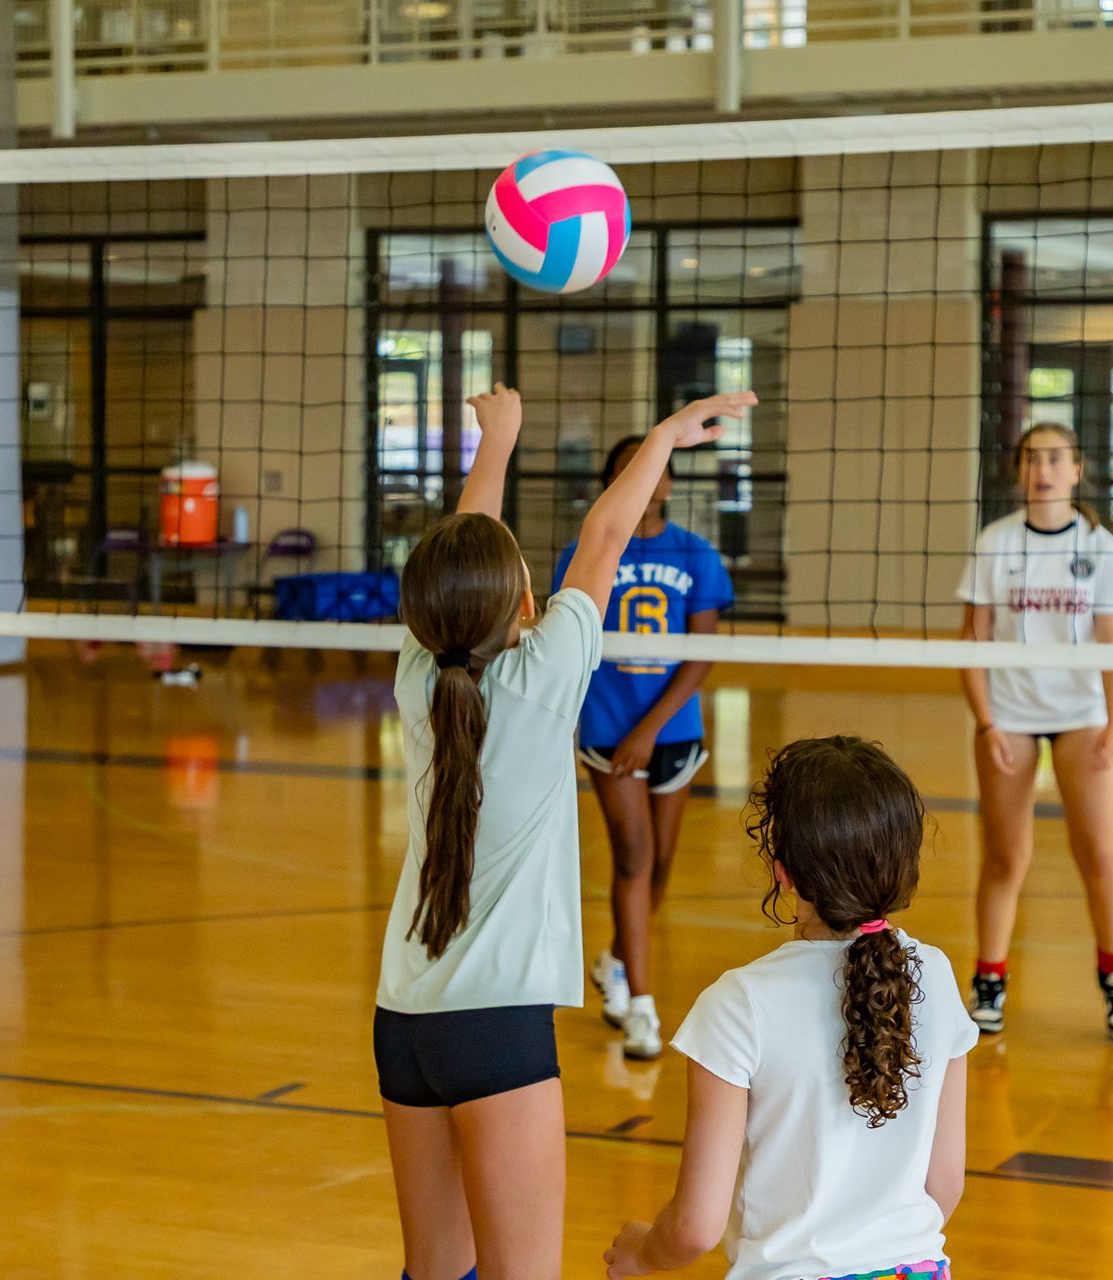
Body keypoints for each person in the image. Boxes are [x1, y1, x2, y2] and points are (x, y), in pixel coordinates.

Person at [375, 383, 755, 1280]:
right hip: (497, 1030)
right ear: (520, 605)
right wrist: (662, 434)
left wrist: (496, 444)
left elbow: (473, 558)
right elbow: (606, 538)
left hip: (403, 1022)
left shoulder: (420, 675)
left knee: (433, 1273)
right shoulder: (544, 679)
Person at [604, 736, 975, 1280]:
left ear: (785, 874)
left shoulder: (738, 1006)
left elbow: (695, 1227)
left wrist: (643, 1253)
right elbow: (945, 1184)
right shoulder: (936, 976)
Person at [956, 423, 1113, 1041]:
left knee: (1100, 852)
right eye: (1033, 458)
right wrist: (986, 725)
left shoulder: (1098, 545)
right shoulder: (996, 543)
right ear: (1020, 471)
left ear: (1076, 470)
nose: (1043, 469)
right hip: (1009, 715)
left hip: (1082, 716)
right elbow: (972, 642)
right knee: (1006, 858)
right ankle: (990, 981)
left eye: (1056, 458)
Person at [552, 436, 734, 1061]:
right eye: (626, 468)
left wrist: (651, 727)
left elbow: (701, 653)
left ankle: (612, 960)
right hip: (608, 728)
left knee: (658, 869)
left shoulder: (697, 554)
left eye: (652, 466)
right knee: (633, 858)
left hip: (671, 731)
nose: (642, 477)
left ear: (668, 482)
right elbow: (564, 639)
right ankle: (642, 1007)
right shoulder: (583, 553)